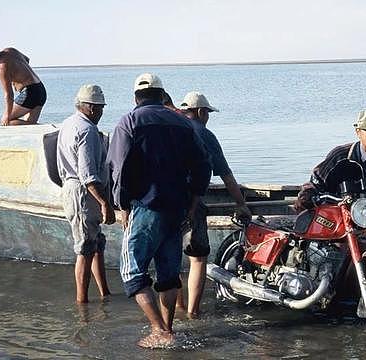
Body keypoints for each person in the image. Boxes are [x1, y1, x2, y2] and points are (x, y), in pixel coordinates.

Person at [107, 74, 211, 348]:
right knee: (168, 272)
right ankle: (168, 329)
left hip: (145, 205)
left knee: (131, 271)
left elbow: (118, 169)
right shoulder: (182, 123)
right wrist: (193, 201)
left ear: (135, 99)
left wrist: (121, 206)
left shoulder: (128, 122)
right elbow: (203, 165)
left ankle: (159, 330)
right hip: (176, 208)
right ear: (162, 95)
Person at [175, 91, 252, 317]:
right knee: (198, 258)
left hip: (166, 200)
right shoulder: (204, 134)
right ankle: (192, 312)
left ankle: (176, 307)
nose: (207, 117)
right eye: (207, 113)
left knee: (169, 258)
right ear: (200, 112)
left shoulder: (172, 128)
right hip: (192, 201)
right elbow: (226, 175)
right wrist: (241, 204)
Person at [57, 84, 114, 304]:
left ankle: (104, 293)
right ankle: (82, 302)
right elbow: (88, 174)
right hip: (83, 192)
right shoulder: (87, 130)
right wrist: (104, 203)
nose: (100, 112)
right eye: (98, 108)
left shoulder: (68, 123)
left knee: (96, 243)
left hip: (72, 187)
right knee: (85, 247)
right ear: (89, 107)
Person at [294, 109, 366, 212]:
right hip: (337, 212)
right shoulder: (340, 156)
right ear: (358, 132)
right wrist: (306, 202)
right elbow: (315, 184)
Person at [0, 42, 47, 126]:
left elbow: (9, 95)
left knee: (6, 122)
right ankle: (43, 127)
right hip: (41, 89)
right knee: (30, 124)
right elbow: (27, 59)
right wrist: (18, 74)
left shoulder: (2, 69)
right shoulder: (11, 51)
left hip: (30, 93)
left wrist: (6, 115)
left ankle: (43, 126)